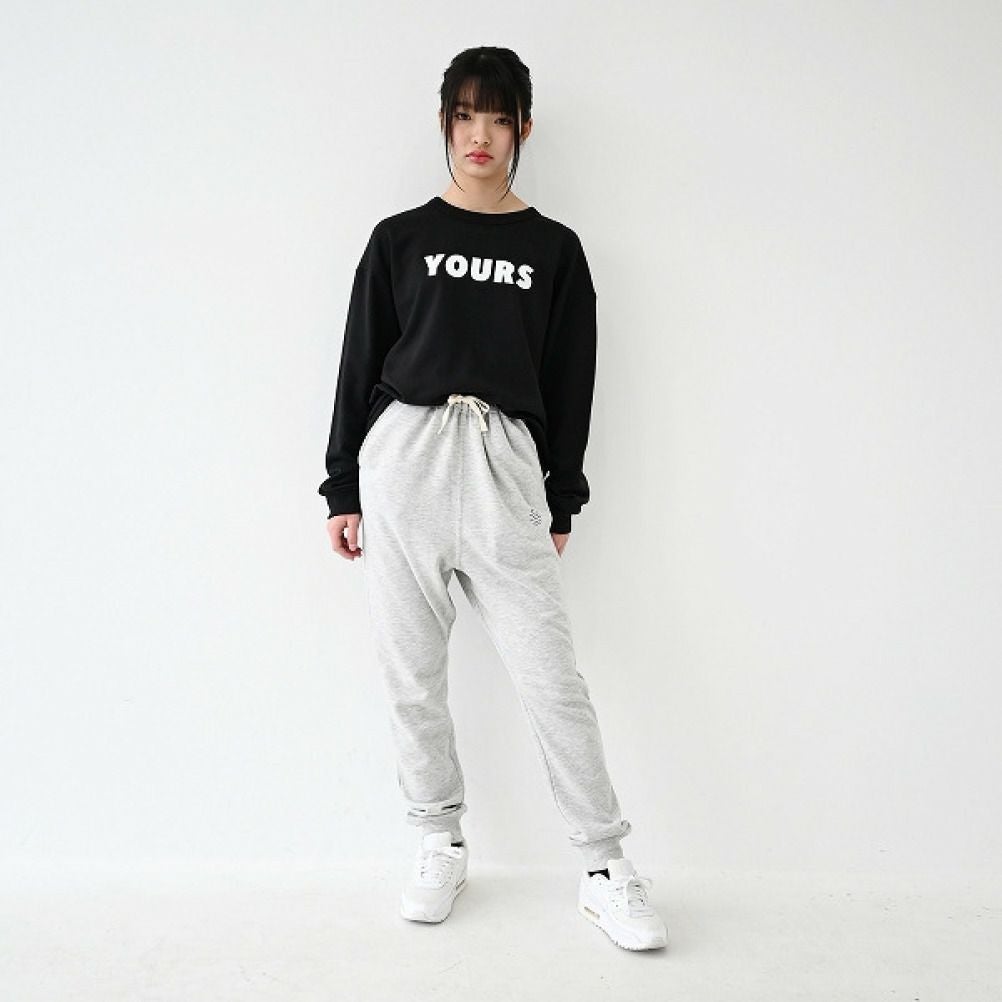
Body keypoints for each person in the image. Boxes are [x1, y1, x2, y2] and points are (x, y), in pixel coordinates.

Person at [318, 46, 668, 952]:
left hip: (503, 464)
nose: (481, 135)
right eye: (466, 115)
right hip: (404, 458)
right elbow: (360, 360)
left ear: (523, 129)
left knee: (552, 680)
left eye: (499, 117)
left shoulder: (554, 249)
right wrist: (343, 484)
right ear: (445, 124)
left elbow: (571, 378)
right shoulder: (399, 239)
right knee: (412, 676)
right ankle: (439, 839)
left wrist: (562, 495)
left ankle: (604, 865)